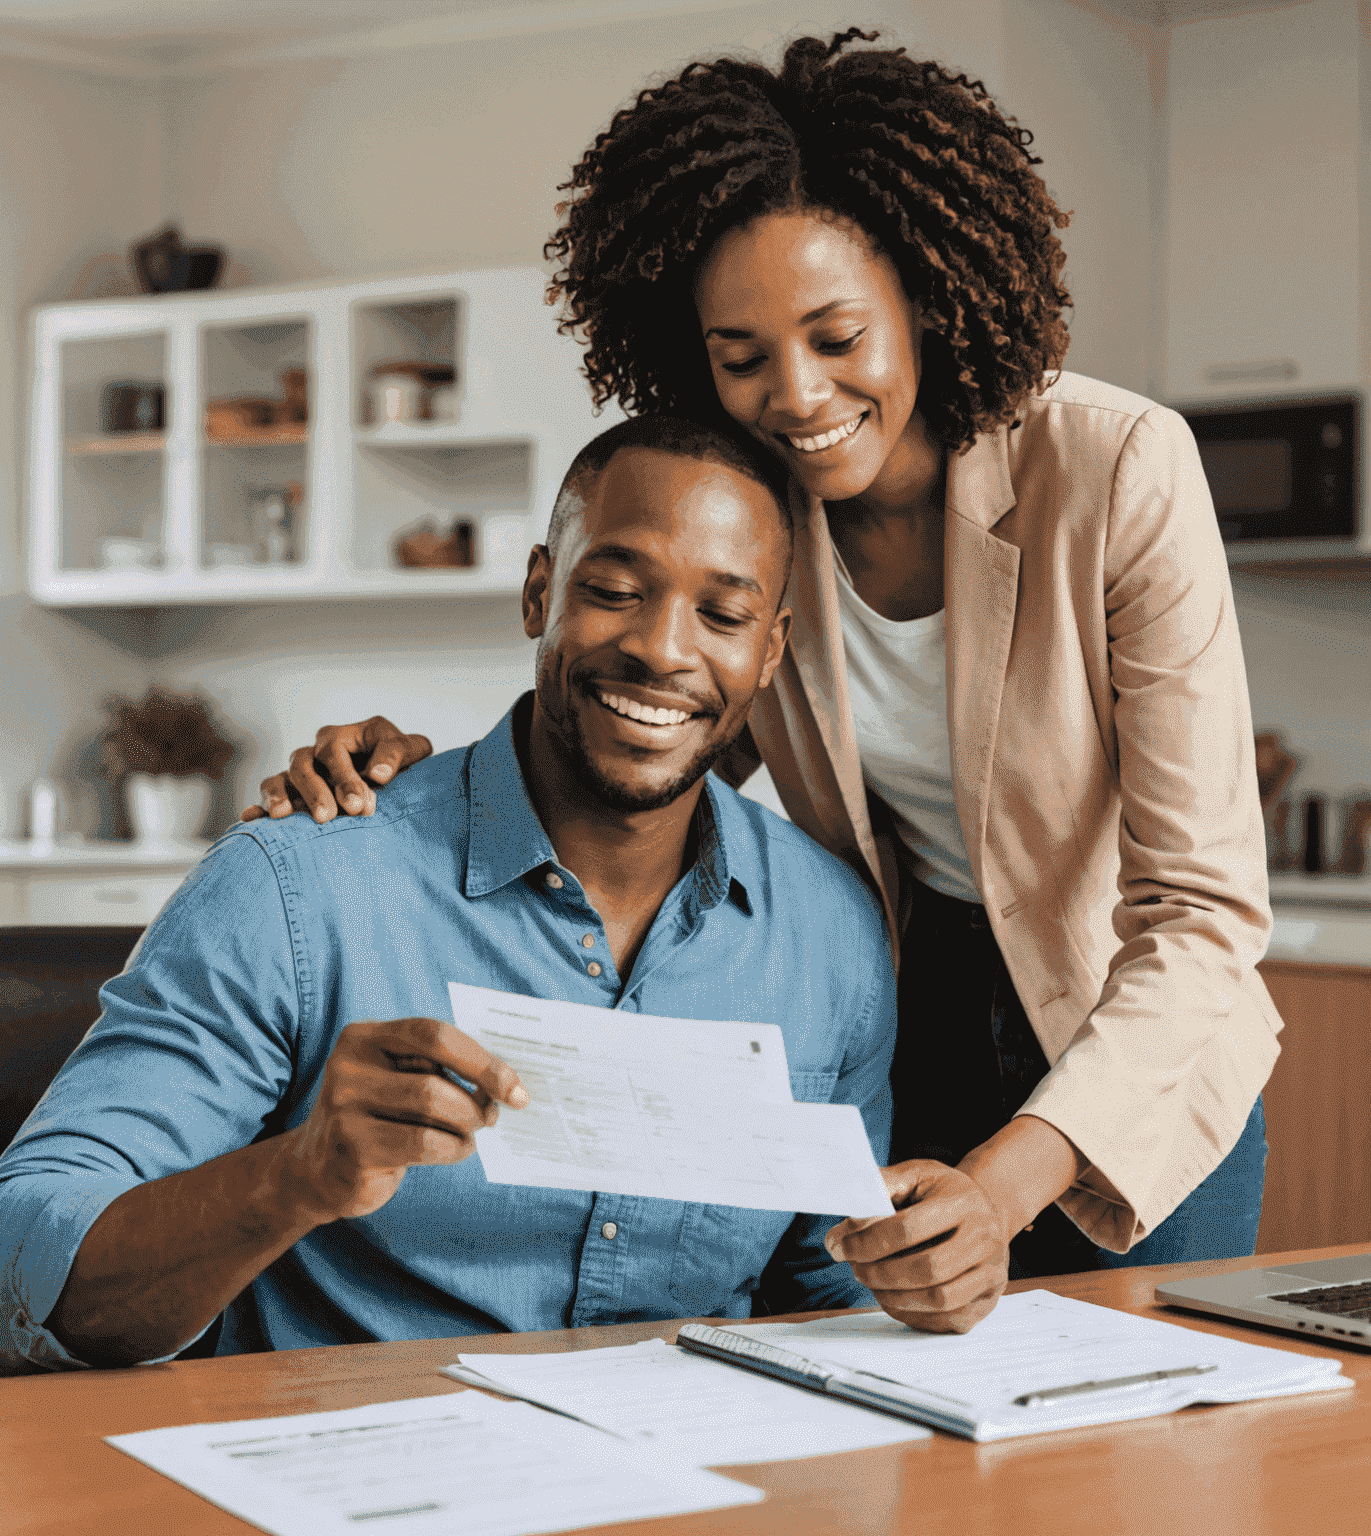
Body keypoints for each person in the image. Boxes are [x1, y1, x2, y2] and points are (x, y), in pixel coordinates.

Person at [246, 30, 1279, 1336]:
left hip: (1134, 1041)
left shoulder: (1118, 467)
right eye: (743, 356)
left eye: (839, 336)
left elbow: (1200, 916)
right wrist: (421, 784)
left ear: (930, 290)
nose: (797, 396)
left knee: (1138, 1457)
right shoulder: (760, 521)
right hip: (917, 1019)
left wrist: (1008, 1187)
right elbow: (650, 744)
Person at [0, 416, 897, 1378]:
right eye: (612, 591)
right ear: (539, 593)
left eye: (722, 617)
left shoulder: (829, 936)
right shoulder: (297, 885)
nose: (661, 648)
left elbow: (830, 1295)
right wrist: (298, 1177)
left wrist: (922, 1273)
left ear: (771, 653)